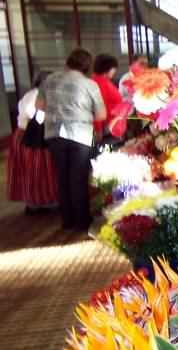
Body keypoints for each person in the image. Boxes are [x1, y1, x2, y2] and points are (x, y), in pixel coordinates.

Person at [37, 48, 106, 231]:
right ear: (87, 66)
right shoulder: (89, 84)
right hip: (79, 134)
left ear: (68, 62)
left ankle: (67, 221)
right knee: (79, 178)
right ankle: (82, 221)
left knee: (62, 177)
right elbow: (101, 115)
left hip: (54, 134)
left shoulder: (49, 80)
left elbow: (39, 106)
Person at [6, 71, 57, 213]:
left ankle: (32, 202)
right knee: (39, 170)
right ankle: (43, 201)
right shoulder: (38, 95)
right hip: (34, 137)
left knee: (27, 171)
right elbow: (38, 118)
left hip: (22, 135)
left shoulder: (29, 94)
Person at [91, 53, 124, 145]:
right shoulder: (99, 83)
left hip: (111, 127)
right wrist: (98, 130)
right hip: (107, 129)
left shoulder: (102, 81)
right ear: (108, 68)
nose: (115, 71)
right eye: (114, 68)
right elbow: (97, 106)